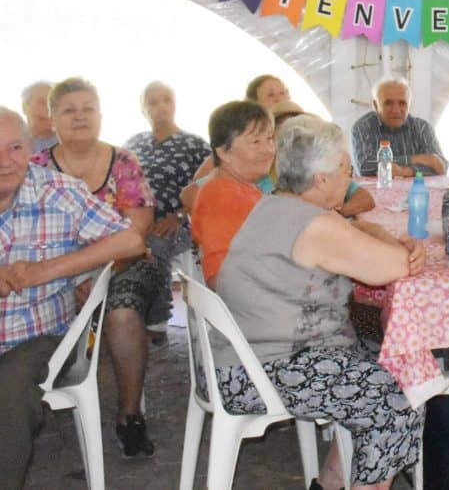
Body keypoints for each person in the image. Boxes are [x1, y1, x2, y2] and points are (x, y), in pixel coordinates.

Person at [213, 115, 425, 490]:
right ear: (321, 179)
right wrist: (395, 247)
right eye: (345, 169)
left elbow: (353, 233)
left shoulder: (276, 205)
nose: (351, 177)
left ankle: (329, 485)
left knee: (393, 364)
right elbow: (393, 267)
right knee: (398, 395)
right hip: (264, 370)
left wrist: (373, 234)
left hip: (250, 356)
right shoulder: (314, 225)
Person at [0, 107, 145, 487]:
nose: (4, 161)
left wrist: (47, 269)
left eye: (14, 148)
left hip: (35, 337)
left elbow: (131, 240)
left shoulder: (59, 192)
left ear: (31, 148)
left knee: (8, 388)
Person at [28, 78, 162, 458]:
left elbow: (138, 231)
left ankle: (129, 415)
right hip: (57, 270)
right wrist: (69, 276)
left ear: (101, 115)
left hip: (124, 264)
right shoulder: (35, 169)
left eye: (88, 108)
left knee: (121, 312)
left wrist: (98, 275)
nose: (80, 116)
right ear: (53, 119)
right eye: (69, 110)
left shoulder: (124, 162)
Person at [124, 82, 212, 340]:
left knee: (154, 245)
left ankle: (157, 320)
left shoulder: (195, 144)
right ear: (143, 109)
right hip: (137, 221)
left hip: (180, 221)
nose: (160, 107)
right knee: (120, 246)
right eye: (152, 102)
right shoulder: (133, 144)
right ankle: (123, 312)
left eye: (166, 100)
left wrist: (180, 215)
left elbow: (207, 188)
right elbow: (120, 185)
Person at [190, 101, 277, 287]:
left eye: (270, 138)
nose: (269, 150)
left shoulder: (241, 187)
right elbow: (220, 276)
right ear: (223, 152)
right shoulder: (221, 197)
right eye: (255, 142)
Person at [350, 77, 447, 177]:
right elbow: (364, 166)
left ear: (409, 105)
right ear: (375, 105)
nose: (396, 110)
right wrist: (414, 159)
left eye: (402, 103)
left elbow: (440, 166)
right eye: (388, 103)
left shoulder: (422, 128)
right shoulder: (363, 127)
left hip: (416, 191)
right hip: (373, 192)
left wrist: (405, 171)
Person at [20, 81, 57, 154]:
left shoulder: (69, 142)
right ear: (25, 107)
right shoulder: (9, 139)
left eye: (52, 104)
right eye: (42, 102)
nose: (48, 109)